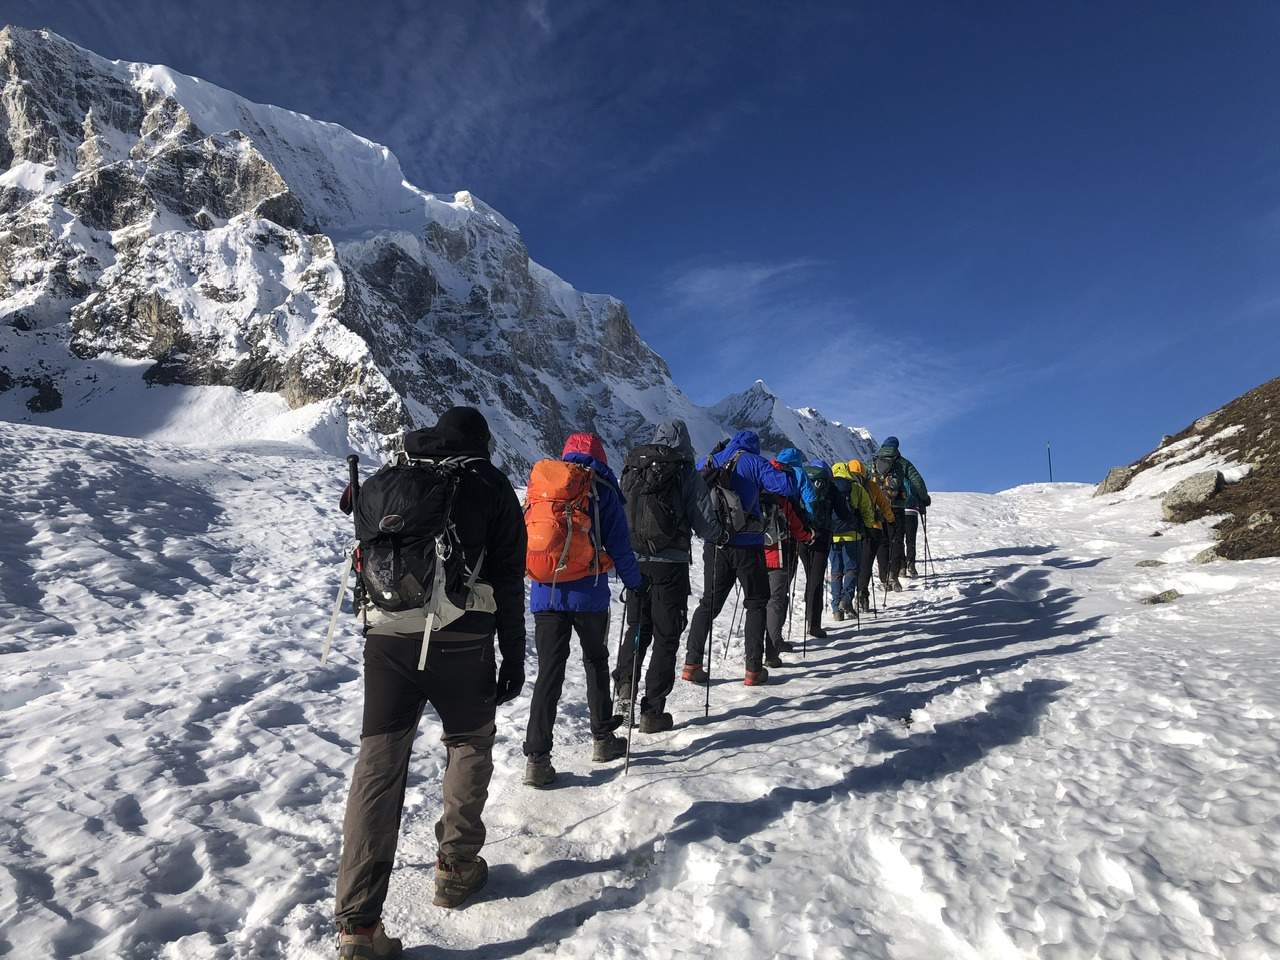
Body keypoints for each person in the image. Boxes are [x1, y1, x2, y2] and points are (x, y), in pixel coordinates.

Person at [334, 407, 528, 958]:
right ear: (482, 443)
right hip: (463, 642)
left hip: (388, 641)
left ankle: (358, 924)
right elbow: (510, 581)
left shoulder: (388, 479)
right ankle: (456, 868)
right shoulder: (488, 483)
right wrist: (513, 658)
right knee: (469, 743)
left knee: (378, 764)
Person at [523, 432, 642, 787]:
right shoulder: (601, 487)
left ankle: (537, 758)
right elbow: (620, 546)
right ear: (600, 455)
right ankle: (603, 739)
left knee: (549, 672)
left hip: (546, 594)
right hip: (589, 595)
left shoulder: (543, 487)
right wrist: (635, 584)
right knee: (595, 660)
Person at [613, 420, 722, 733]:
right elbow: (704, 523)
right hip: (669, 565)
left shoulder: (634, 467)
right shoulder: (685, 471)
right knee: (665, 634)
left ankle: (624, 688)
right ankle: (652, 710)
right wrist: (720, 534)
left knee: (637, 627)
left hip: (635, 562)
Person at [681, 430, 797, 687]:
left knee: (708, 604)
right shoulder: (753, 461)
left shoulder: (709, 460)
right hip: (748, 545)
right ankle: (753, 669)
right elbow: (787, 487)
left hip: (715, 545)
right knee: (756, 602)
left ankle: (692, 663)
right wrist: (788, 471)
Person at [762, 464, 813, 667]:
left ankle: (753, 657)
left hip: (754, 556)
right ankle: (772, 653)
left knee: (757, 604)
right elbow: (797, 528)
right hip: (779, 556)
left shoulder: (754, 492)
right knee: (776, 602)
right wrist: (809, 536)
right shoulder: (784, 499)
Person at [863, 437, 930, 589]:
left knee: (882, 542)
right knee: (897, 540)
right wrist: (924, 498)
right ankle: (895, 574)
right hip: (896, 506)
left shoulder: (871, 462)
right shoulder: (902, 463)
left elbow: (864, 482)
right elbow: (917, 481)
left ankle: (884, 576)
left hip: (877, 508)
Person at [828, 461, 876, 620]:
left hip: (832, 535)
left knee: (836, 571)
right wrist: (869, 528)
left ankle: (836, 610)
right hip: (852, 534)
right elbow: (867, 509)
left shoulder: (828, 486)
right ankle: (846, 600)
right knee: (851, 569)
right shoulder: (856, 488)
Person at [851, 459, 896, 613]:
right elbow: (884, 505)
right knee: (866, 563)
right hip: (874, 529)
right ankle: (862, 595)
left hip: (853, 530)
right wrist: (891, 520)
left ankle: (845, 597)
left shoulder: (847, 486)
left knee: (851, 564)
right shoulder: (872, 486)